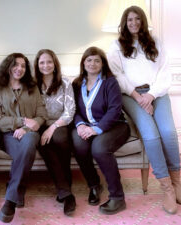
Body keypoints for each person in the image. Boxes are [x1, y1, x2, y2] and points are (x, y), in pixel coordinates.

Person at [107, 5, 181, 214]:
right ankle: (166, 187)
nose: (133, 23)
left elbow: (164, 73)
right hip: (131, 95)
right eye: (129, 20)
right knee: (151, 134)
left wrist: (151, 95)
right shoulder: (116, 46)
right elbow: (118, 76)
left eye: (137, 19)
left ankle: (177, 181)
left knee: (168, 132)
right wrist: (139, 97)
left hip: (156, 93)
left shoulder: (155, 42)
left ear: (143, 21)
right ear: (124, 22)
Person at [71, 47, 130, 215]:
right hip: (86, 125)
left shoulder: (110, 82)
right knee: (78, 144)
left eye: (97, 60)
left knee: (99, 148)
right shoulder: (76, 83)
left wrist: (97, 129)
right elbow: (73, 109)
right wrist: (80, 125)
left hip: (114, 125)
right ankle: (94, 185)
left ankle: (118, 198)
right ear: (83, 62)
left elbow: (114, 110)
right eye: (89, 60)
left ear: (103, 63)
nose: (93, 63)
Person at [0, 53, 47, 223]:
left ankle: (10, 200)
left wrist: (26, 128)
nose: (19, 69)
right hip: (8, 135)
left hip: (30, 133)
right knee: (24, 150)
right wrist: (21, 121)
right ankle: (19, 189)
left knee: (29, 142)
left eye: (23, 66)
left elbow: (42, 115)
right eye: (16, 65)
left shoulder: (33, 87)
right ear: (8, 67)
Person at [34, 49, 76, 216]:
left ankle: (65, 183)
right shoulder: (32, 85)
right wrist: (42, 127)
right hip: (39, 124)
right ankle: (66, 192)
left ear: (55, 63)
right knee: (44, 144)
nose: (46, 65)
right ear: (37, 65)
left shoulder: (65, 83)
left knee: (60, 139)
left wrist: (52, 128)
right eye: (42, 62)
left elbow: (70, 110)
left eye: (49, 62)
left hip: (60, 124)